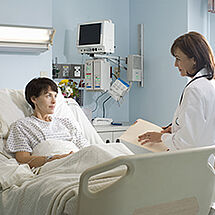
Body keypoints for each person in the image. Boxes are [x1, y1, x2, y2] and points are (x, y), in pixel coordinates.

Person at [138, 31, 215, 150]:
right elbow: (202, 128)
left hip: (192, 162)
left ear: (194, 59)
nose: (175, 64)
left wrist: (161, 138)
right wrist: (174, 128)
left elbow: (188, 141)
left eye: (178, 59)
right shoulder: (209, 83)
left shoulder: (195, 89)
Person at [5, 77, 90, 168]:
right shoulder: (22, 126)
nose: (54, 101)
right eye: (48, 96)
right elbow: (22, 159)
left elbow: (87, 149)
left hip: (81, 162)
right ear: (34, 99)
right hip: (54, 167)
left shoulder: (66, 123)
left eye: (55, 96)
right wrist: (55, 159)